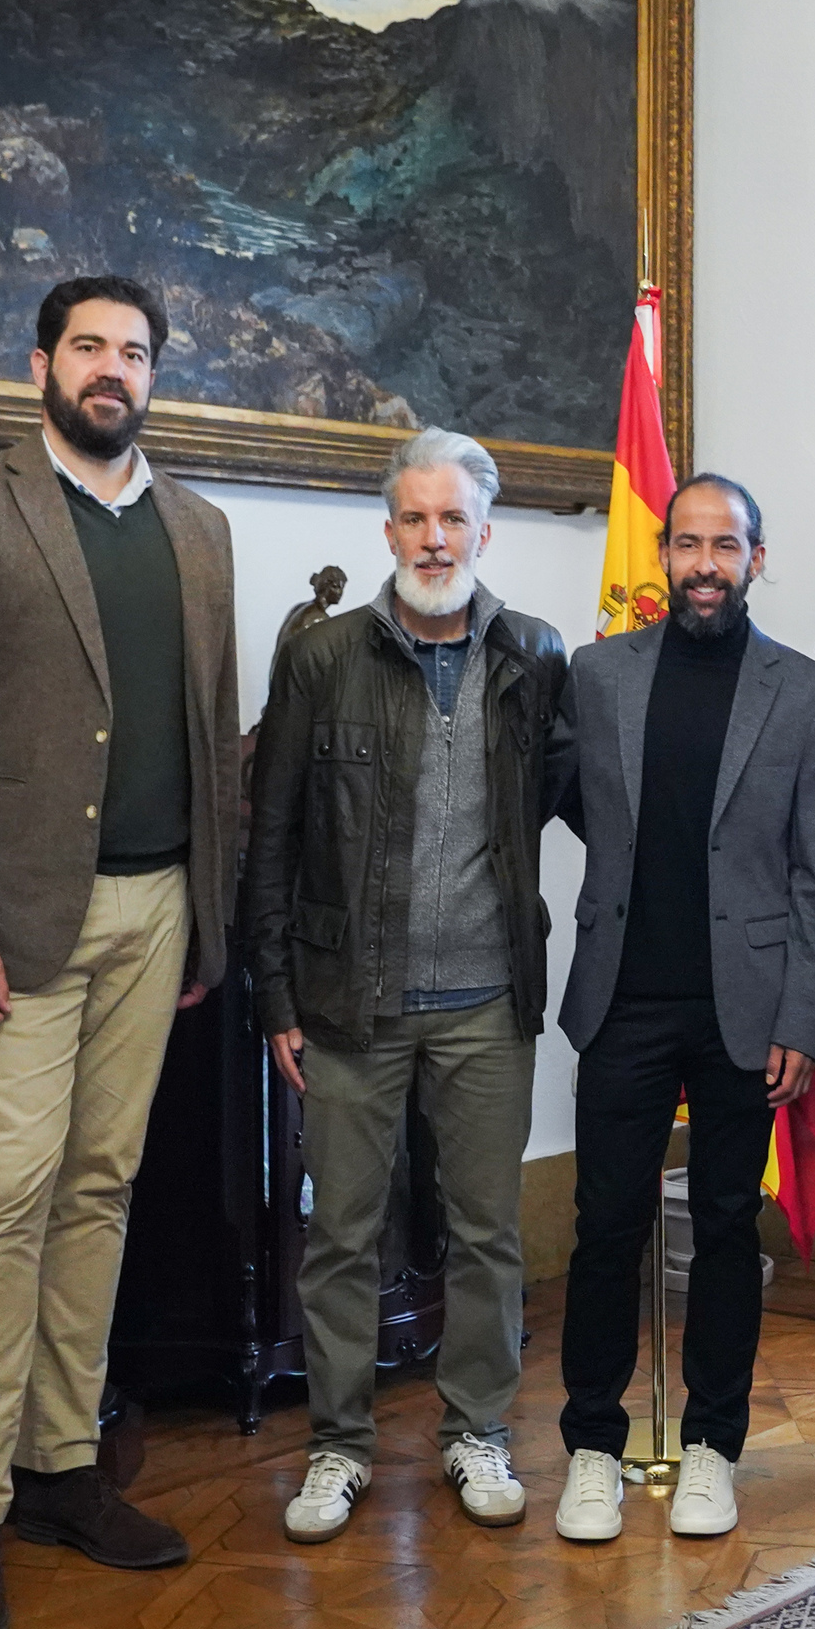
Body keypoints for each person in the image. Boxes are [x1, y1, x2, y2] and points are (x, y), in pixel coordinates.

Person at [0, 275, 241, 1629]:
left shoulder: (199, 531)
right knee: (4, 1199)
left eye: (134, 351)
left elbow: (213, 742)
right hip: (14, 925)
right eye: (89, 345)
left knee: (101, 1186)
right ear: (41, 365)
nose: (112, 368)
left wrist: (211, 921)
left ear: (152, 375)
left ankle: (62, 1468)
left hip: (157, 917)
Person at [242, 429, 570, 1544]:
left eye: (454, 520)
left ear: (485, 531)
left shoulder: (535, 652)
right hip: (349, 1001)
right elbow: (273, 833)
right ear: (389, 532)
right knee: (342, 1235)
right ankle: (337, 1446)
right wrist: (276, 995)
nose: (436, 538)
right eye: (415, 519)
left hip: (487, 998)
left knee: (488, 1234)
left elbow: (593, 798)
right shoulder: (324, 657)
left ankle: (477, 1428)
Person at [545, 474, 815, 1542]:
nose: (704, 563)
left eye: (727, 545)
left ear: (757, 559)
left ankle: (716, 1444)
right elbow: (586, 811)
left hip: (751, 1011)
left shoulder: (805, 692)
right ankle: (593, 1443)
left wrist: (803, 1023)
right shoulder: (596, 674)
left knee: (725, 1226)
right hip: (622, 999)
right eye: (686, 544)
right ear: (663, 555)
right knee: (605, 1227)